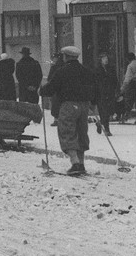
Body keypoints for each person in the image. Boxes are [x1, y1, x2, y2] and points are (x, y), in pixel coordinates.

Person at [39, 46, 98, 175]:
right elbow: (94, 88)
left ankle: (75, 163)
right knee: (82, 133)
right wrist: (93, 103)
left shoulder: (62, 71)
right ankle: (81, 164)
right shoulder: (86, 71)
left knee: (67, 131)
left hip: (69, 105)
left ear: (66, 57)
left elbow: (52, 87)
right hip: (84, 106)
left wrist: (42, 90)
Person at [94, 52, 119, 136]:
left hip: (110, 92)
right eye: (104, 59)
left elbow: (115, 80)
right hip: (101, 93)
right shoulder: (97, 70)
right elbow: (95, 82)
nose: (106, 60)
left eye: (107, 59)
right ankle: (107, 129)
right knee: (103, 111)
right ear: (100, 60)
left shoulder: (111, 69)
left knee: (109, 111)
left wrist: (116, 90)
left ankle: (100, 123)